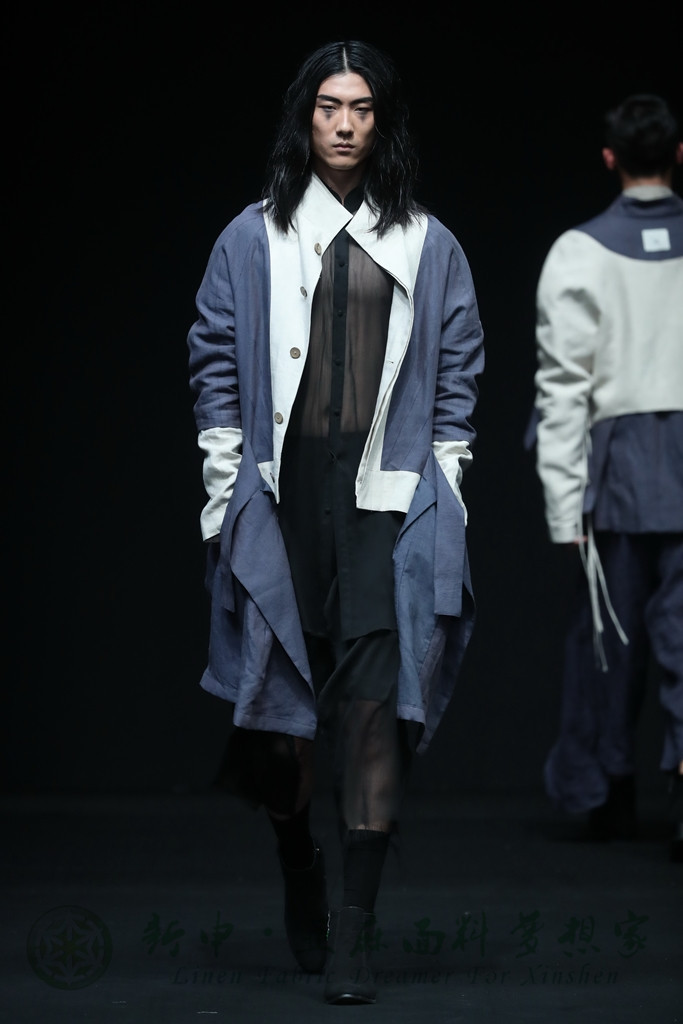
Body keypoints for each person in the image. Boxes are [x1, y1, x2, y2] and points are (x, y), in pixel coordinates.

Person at [187, 40, 484, 1004]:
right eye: (328, 106)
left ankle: (354, 929)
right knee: (281, 724)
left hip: (382, 506)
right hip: (281, 501)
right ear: (304, 117)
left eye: (360, 107)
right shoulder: (252, 236)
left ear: (381, 120)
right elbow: (215, 356)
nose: (345, 123)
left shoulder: (429, 243)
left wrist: (446, 482)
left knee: (370, 721)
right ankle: (297, 863)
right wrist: (224, 487)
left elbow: (457, 370)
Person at [532, 93, 683, 861]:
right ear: (678, 156)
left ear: (609, 159)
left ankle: (606, 794)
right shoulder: (579, 252)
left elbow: (562, 389)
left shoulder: (578, 253)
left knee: (607, 638)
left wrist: (562, 505)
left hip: (617, 468)